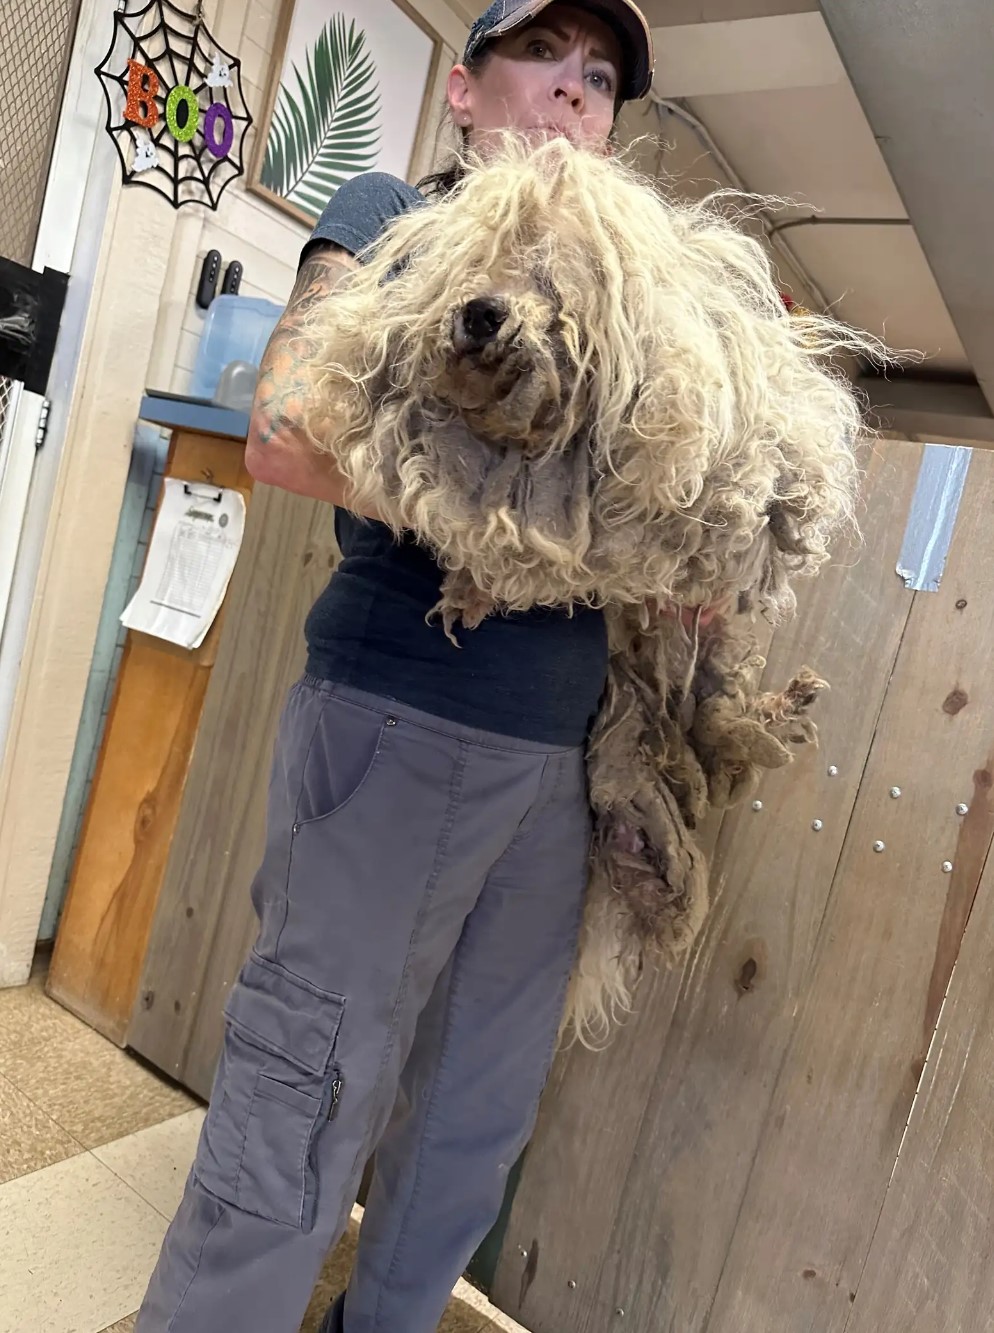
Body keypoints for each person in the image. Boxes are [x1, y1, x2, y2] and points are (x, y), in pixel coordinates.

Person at [136, 3, 654, 1330]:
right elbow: (286, 429)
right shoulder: (391, 215)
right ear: (468, 93)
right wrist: (550, 541)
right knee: (305, 1078)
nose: (574, 95)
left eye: (600, 79)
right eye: (544, 56)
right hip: (398, 717)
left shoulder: (620, 307)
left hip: (551, 763)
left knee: (473, 1117)